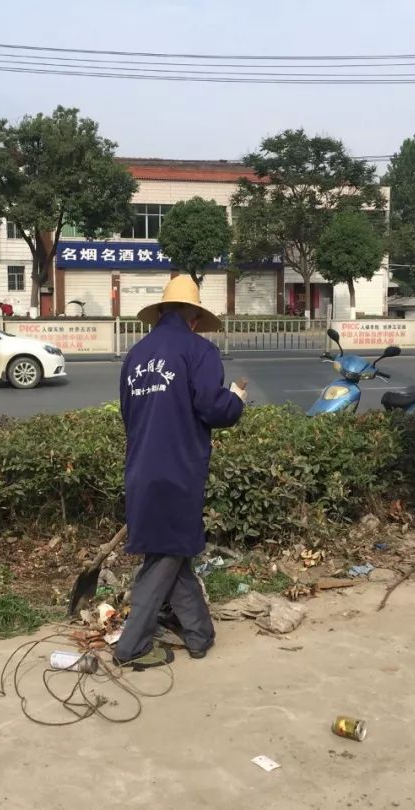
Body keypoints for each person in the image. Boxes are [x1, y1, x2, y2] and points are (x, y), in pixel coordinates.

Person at [113, 275, 246, 669]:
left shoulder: (136, 355)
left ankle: (200, 635)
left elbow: (128, 414)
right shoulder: (199, 350)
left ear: (161, 312)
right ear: (194, 317)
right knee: (166, 555)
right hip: (178, 469)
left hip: (141, 467)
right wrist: (236, 399)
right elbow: (212, 407)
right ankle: (131, 646)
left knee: (171, 548)